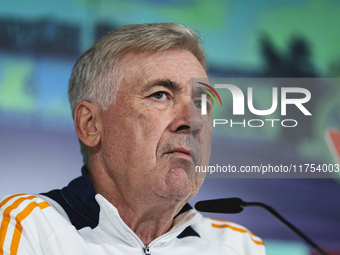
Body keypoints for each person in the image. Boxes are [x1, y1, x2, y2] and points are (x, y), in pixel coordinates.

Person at [0, 23, 266, 254]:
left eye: (202, 103)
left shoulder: (240, 246)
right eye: (160, 94)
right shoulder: (29, 226)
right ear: (91, 125)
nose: (193, 121)